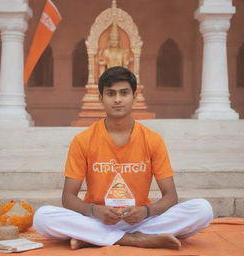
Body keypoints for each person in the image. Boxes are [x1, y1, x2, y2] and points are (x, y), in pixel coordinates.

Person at [33, 66, 213, 250]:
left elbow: (171, 196)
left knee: (203, 209)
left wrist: (146, 211)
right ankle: (136, 240)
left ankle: (94, 238)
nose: (117, 99)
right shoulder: (83, 140)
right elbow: (68, 197)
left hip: (140, 219)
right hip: (98, 219)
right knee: (42, 217)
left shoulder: (152, 140)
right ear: (101, 98)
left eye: (124, 93)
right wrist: (95, 210)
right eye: (111, 93)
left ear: (134, 96)